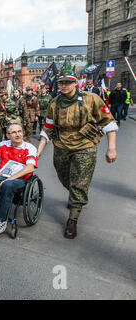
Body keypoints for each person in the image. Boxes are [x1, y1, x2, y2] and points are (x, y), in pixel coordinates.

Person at [37, 61, 118, 239]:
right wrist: (39, 151)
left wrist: (111, 148)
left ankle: (72, 218)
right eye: (61, 83)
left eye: (68, 82)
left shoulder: (91, 99)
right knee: (64, 177)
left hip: (85, 146)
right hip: (61, 146)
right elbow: (48, 128)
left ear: (75, 83)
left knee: (79, 182)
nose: (64, 86)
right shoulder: (54, 103)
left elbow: (109, 123)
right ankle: (76, 195)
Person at [0, 122, 37, 235]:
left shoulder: (29, 148)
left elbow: (30, 167)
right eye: (13, 132)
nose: (17, 134)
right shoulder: (3, 145)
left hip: (20, 178)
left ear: (23, 133)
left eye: (19, 131)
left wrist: (9, 179)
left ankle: (1, 220)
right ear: (8, 135)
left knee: (7, 185)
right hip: (3, 174)